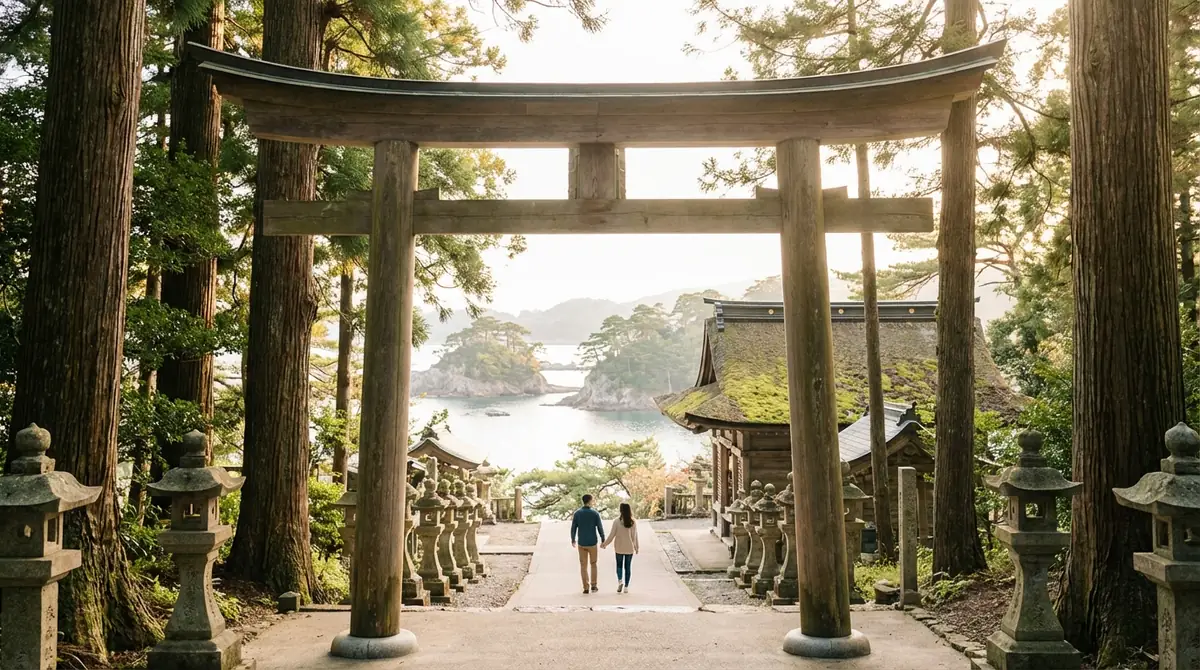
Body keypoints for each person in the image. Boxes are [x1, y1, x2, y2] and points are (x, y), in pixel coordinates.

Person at [600, 502, 639, 593]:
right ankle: (626, 587)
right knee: (628, 567)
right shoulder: (633, 522)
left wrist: (605, 544)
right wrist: (637, 547)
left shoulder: (617, 521)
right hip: (629, 548)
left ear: (620, 510)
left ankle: (620, 581)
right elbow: (635, 536)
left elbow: (612, 535)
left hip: (619, 547)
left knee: (619, 565)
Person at [570, 494, 605, 594]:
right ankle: (594, 585)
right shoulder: (595, 514)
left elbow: (573, 528)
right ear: (589, 501)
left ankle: (586, 587)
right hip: (592, 542)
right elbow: (599, 527)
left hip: (582, 543)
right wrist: (603, 539)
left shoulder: (577, 514)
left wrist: (573, 539)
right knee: (593, 564)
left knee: (583, 566)